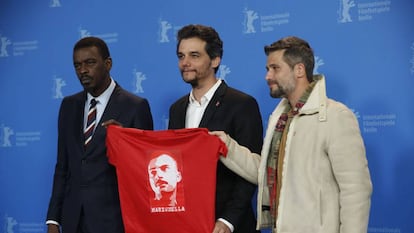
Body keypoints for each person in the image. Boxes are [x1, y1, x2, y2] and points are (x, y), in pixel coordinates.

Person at [210, 36, 373, 233]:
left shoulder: (335, 116)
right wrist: (225, 145)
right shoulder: (280, 118)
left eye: (275, 68)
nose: (267, 76)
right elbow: (265, 173)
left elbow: (355, 191)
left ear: (299, 70)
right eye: (267, 69)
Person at [46, 36, 154, 233]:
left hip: (113, 221)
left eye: (90, 63)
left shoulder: (135, 107)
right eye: (77, 65)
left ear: (108, 64)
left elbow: (145, 171)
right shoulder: (68, 106)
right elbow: (63, 166)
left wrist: (125, 142)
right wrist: (53, 219)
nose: (83, 71)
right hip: (73, 220)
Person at [168, 24, 263, 233]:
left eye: (194, 55)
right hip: (188, 223)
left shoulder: (241, 104)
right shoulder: (177, 109)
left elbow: (252, 171)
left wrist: (228, 221)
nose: (185, 63)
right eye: (181, 56)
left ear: (215, 59)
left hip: (229, 225)